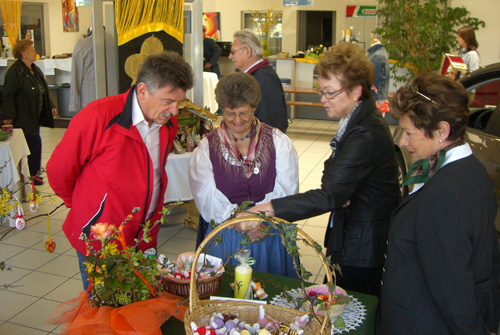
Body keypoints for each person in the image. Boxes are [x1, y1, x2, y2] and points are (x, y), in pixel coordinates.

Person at [243, 43, 400, 296]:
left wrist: (265, 210)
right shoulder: (353, 120)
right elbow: (331, 176)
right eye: (321, 91)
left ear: (356, 91)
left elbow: (328, 195)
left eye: (329, 93)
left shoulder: (365, 132)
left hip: (363, 247)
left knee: (353, 307)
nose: (323, 99)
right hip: (351, 233)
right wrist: (340, 190)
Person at [47, 51, 193, 289]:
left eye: (180, 102)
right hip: (102, 241)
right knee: (104, 317)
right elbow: (58, 171)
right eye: (168, 102)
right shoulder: (97, 116)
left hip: (145, 238)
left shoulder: (169, 123)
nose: (175, 111)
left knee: (141, 307)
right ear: (143, 90)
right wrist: (85, 207)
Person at [381, 73, 500, 334]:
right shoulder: (473, 171)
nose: (402, 141)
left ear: (441, 130)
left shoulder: (445, 194)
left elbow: (453, 288)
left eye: (409, 133)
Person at [188, 72, 299, 277]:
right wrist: (239, 221)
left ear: (254, 108)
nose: (237, 120)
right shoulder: (206, 148)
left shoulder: (278, 141)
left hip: (268, 232)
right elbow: (206, 197)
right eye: (230, 113)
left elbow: (287, 189)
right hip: (227, 236)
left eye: (244, 113)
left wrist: (260, 220)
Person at [2, 39, 57, 185]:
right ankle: (28, 175)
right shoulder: (15, 72)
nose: (35, 53)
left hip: (34, 115)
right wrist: (8, 117)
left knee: (35, 143)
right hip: (22, 115)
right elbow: (7, 95)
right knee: (28, 144)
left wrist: (50, 104)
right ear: (23, 53)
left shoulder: (35, 69)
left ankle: (34, 173)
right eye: (32, 50)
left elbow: (43, 89)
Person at [229, 29, 288, 133]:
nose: (230, 56)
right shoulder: (256, 76)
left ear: (247, 51)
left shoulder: (263, 79)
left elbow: (270, 123)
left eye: (233, 52)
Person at [69, 27, 96, 113]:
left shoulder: (82, 45)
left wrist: (73, 105)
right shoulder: (114, 43)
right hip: (113, 100)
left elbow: (75, 76)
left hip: (89, 101)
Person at [367, 32, 390, 116]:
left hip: (376, 98)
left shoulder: (377, 56)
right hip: (379, 97)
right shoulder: (379, 53)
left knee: (373, 125)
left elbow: (375, 80)